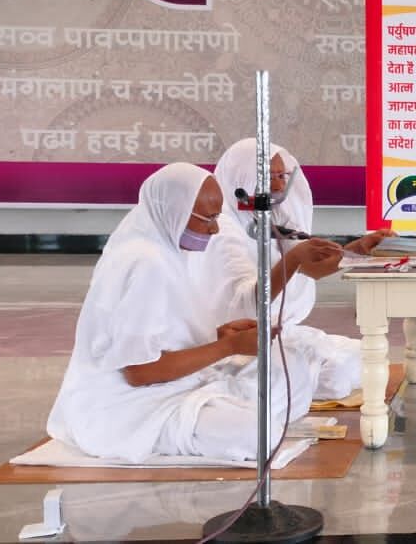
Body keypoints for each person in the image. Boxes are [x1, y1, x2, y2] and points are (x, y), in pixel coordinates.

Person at [47, 163, 320, 462]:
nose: (215, 229)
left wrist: (221, 336)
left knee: (292, 367)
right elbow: (139, 372)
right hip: (129, 405)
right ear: (174, 211)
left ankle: (225, 416)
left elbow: (166, 334)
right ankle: (219, 421)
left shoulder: (166, 250)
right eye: (208, 219)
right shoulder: (145, 262)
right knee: (259, 433)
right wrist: (227, 347)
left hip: (175, 382)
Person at [192, 138, 393, 400]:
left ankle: (292, 385)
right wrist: (293, 259)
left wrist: (359, 249)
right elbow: (249, 306)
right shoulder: (222, 230)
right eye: (269, 177)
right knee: (337, 377)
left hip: (281, 332)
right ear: (243, 178)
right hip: (242, 340)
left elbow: (311, 270)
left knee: (368, 355)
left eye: (282, 176)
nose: (278, 186)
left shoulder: (268, 217)